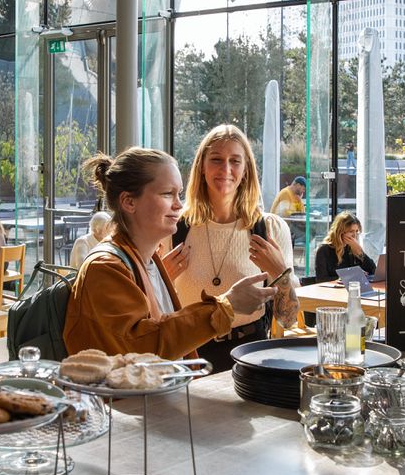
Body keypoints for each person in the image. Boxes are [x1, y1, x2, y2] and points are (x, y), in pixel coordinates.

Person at [63, 148, 274, 360]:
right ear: (128, 202)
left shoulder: (150, 261)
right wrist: (227, 306)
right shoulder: (105, 268)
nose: (178, 204)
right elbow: (142, 348)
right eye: (167, 194)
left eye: (179, 194)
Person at [166, 124, 300, 370]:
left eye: (235, 161)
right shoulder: (174, 230)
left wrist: (281, 273)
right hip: (190, 353)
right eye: (216, 159)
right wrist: (161, 279)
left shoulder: (270, 229)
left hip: (250, 355)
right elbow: (149, 312)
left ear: (246, 169)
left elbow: (288, 319)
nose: (225, 169)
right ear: (202, 168)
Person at [314, 212, 377, 282]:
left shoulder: (351, 248)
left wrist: (360, 252)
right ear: (340, 232)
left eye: (356, 231)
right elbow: (321, 279)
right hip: (333, 291)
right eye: (351, 231)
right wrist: (349, 277)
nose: (355, 235)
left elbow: (373, 271)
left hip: (352, 289)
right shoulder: (323, 250)